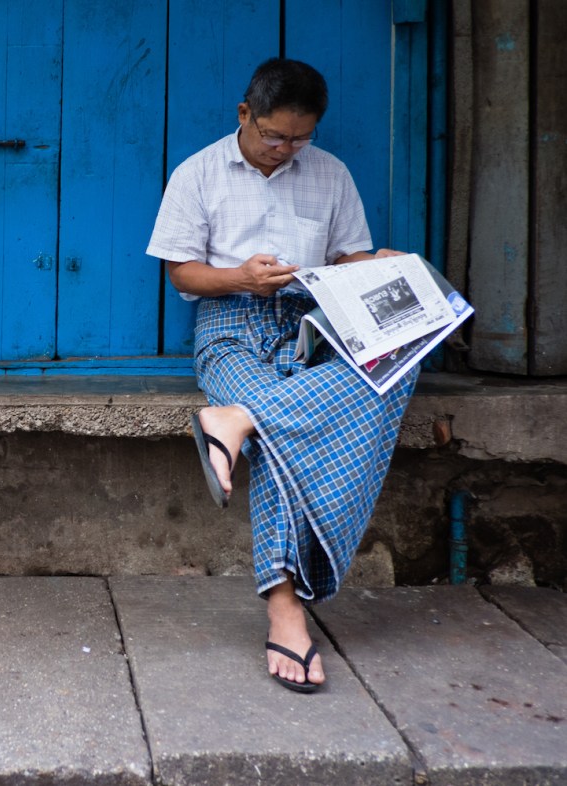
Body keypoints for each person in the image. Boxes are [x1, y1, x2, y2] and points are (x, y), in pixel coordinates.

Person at [146, 58, 417, 693]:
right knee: (284, 437)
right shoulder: (198, 174)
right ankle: (285, 603)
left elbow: (347, 257)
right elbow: (182, 273)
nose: (285, 149)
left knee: (396, 365)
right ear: (245, 115)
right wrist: (242, 275)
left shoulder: (331, 174)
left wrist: (373, 263)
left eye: (299, 138)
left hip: (318, 322)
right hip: (232, 327)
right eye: (274, 136)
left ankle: (239, 418)